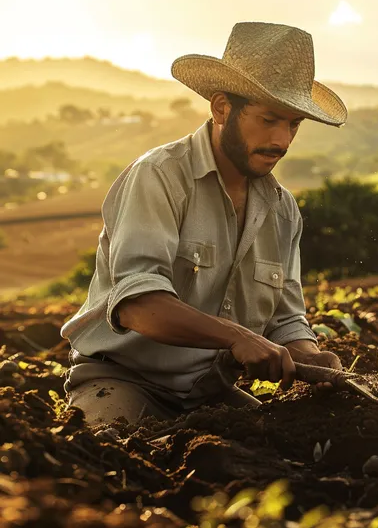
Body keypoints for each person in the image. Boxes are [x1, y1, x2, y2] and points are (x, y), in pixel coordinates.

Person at [60, 22, 348, 426]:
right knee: (112, 456)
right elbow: (139, 306)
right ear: (221, 108)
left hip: (212, 394)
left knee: (291, 456)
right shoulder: (159, 177)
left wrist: (311, 357)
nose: (281, 140)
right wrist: (236, 336)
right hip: (124, 382)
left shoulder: (282, 211)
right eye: (268, 119)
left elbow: (285, 319)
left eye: (293, 124)